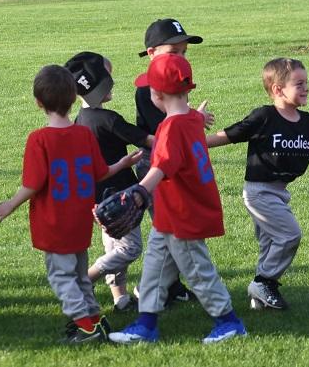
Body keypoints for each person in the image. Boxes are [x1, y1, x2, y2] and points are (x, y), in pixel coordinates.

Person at [0, 65, 141, 343]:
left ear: (38, 102)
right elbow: (100, 172)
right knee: (80, 276)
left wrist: (11, 204)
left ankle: (84, 326)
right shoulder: (83, 133)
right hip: (80, 222)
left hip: (55, 224)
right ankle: (95, 319)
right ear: (73, 99)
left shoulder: (39, 139)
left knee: (62, 278)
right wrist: (123, 162)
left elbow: (33, 184)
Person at [109, 53, 247, 344]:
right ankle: (146, 324)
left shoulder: (169, 128)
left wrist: (140, 191)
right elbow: (193, 118)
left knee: (197, 270)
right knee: (155, 269)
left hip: (184, 213)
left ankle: (229, 321)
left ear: (155, 94)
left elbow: (161, 166)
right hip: (171, 214)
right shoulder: (191, 118)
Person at [206, 58, 309, 310]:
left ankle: (260, 296)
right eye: (298, 84)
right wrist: (191, 141)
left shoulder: (308, 122)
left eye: (306, 82)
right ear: (278, 89)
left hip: (279, 193)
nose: (306, 88)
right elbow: (228, 135)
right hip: (258, 192)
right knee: (289, 235)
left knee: (270, 242)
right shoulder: (264, 117)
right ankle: (264, 280)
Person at [66, 51, 154, 313]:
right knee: (130, 247)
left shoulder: (80, 121)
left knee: (113, 247)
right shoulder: (108, 119)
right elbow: (147, 139)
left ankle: (121, 299)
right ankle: (85, 279)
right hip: (121, 195)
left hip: (98, 196)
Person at [133, 18, 211, 305]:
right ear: (152, 53)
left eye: (184, 53)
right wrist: (194, 119)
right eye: (173, 52)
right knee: (171, 231)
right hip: (157, 168)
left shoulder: (174, 82)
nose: (180, 58)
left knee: (169, 233)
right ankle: (153, 290)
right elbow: (166, 129)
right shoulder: (148, 90)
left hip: (176, 165)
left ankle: (167, 288)